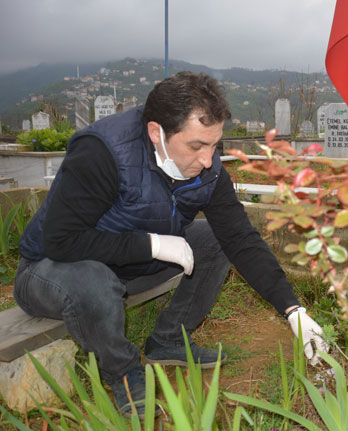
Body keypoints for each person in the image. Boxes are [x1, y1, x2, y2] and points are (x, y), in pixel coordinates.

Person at [14, 71, 327, 417]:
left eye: (214, 145)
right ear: (156, 133)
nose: (209, 160)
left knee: (215, 240)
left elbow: (240, 237)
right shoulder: (101, 153)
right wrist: (150, 245)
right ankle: (122, 371)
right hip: (51, 271)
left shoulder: (207, 171)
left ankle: (169, 339)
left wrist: (292, 309)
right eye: (197, 146)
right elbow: (60, 242)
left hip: (127, 266)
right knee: (94, 281)